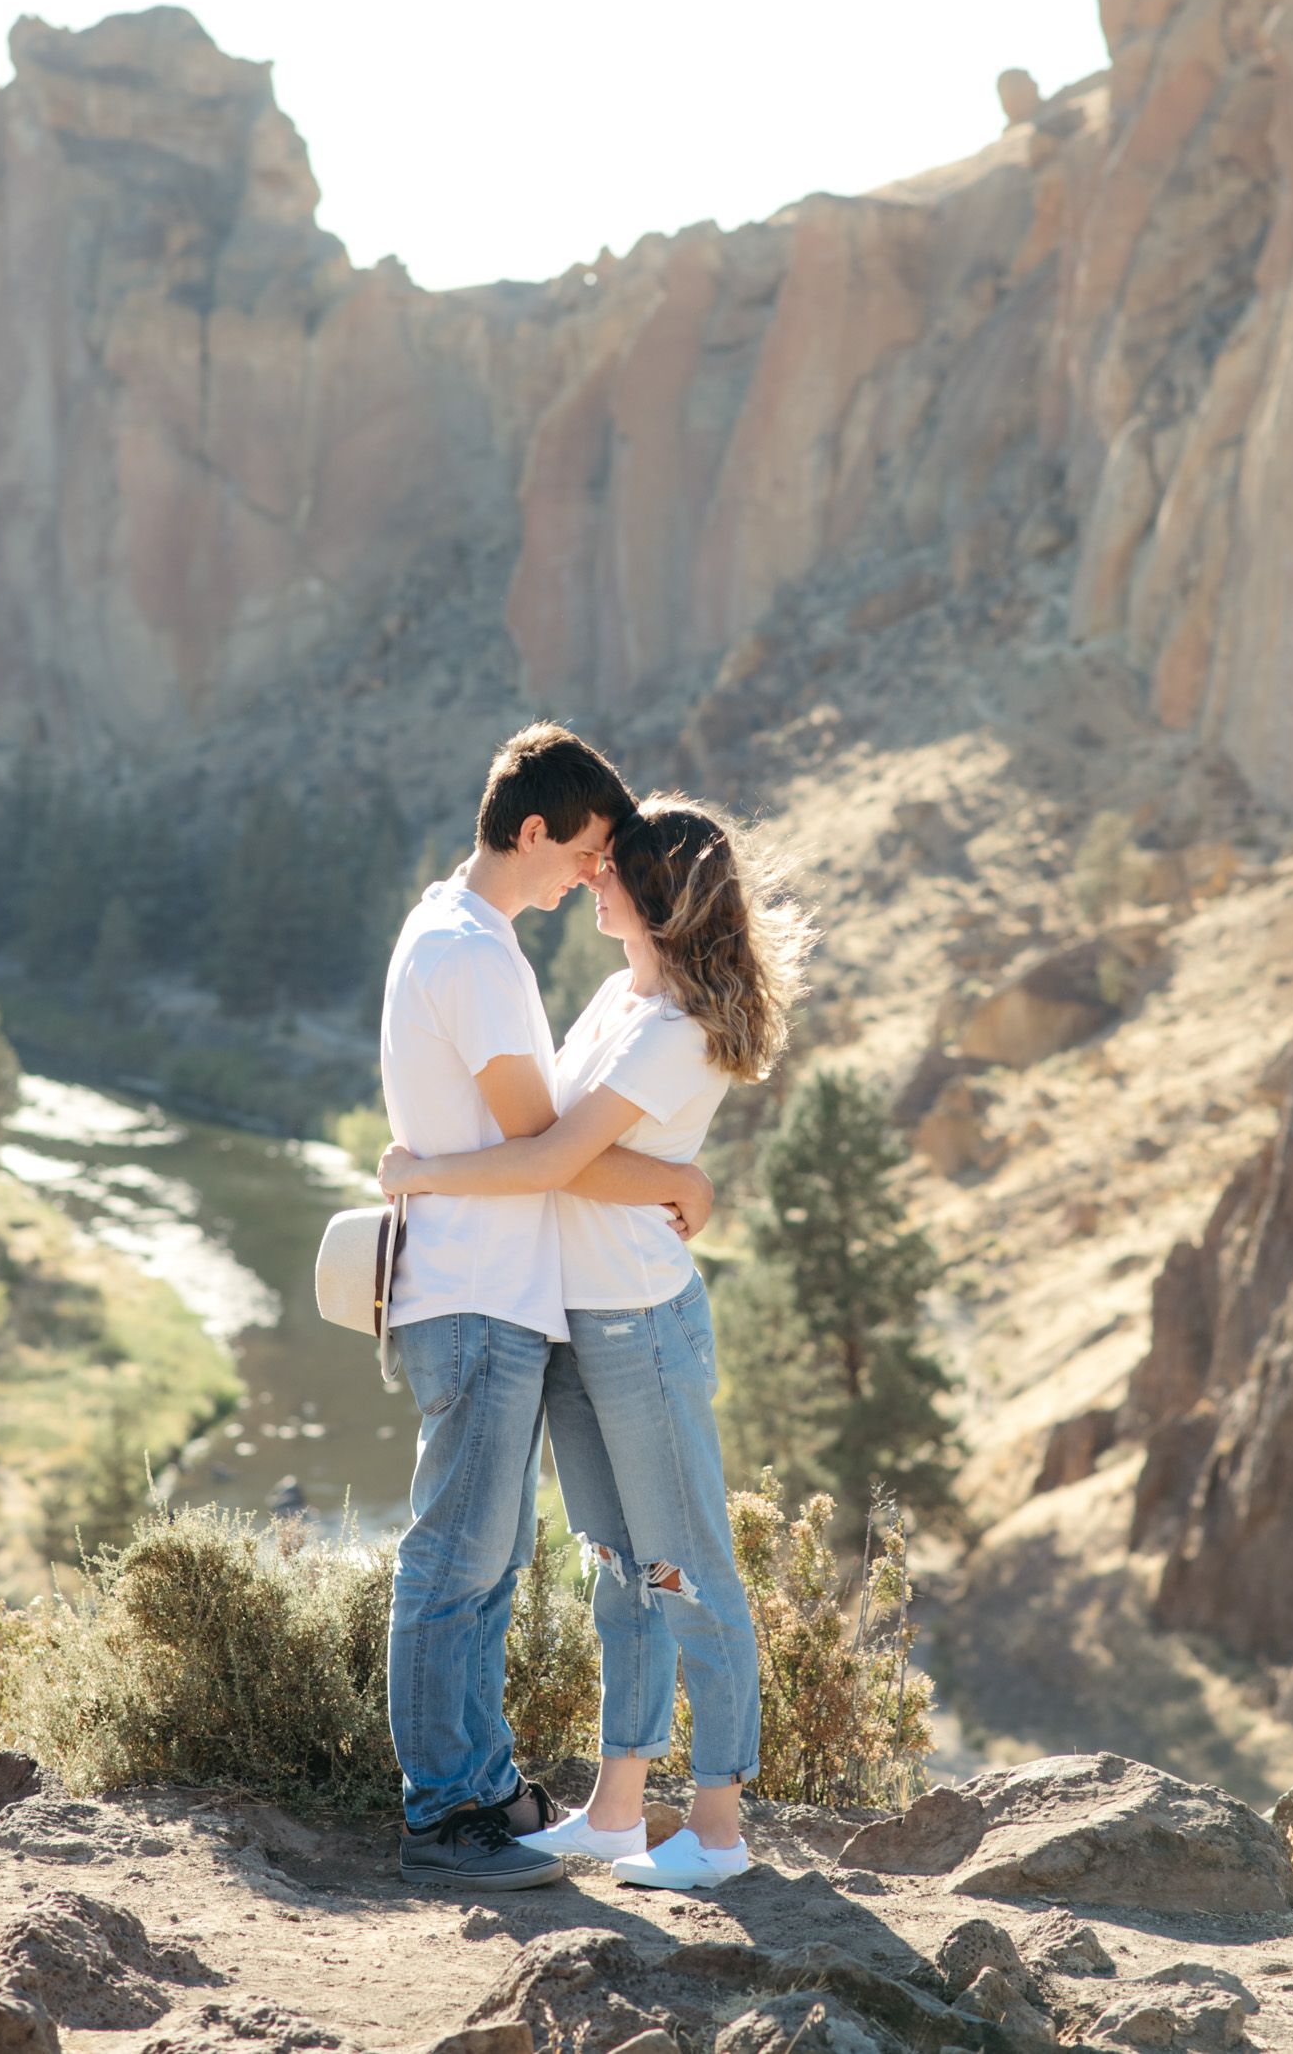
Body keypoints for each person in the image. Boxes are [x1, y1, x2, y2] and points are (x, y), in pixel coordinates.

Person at [379, 793, 814, 1891]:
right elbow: (550, 1142)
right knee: (620, 1567)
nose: (591, 878)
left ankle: (715, 1827)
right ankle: (617, 1811)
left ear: (658, 895)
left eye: (611, 867)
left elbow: (551, 1158)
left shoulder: (680, 1034)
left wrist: (421, 1170)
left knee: (690, 1570)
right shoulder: (622, 1000)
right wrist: (670, 1178)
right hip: (573, 1321)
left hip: (638, 1328)